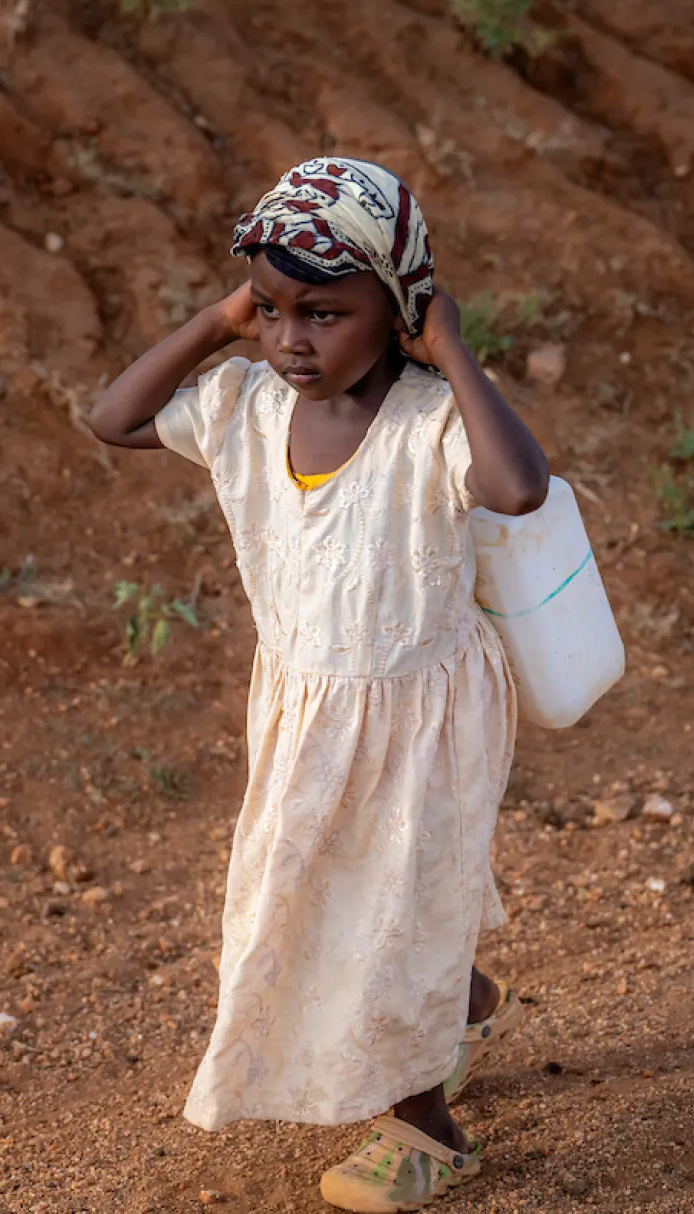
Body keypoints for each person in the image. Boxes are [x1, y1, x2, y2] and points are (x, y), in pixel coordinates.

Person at [87, 157, 548, 1212]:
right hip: (302, 710)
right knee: (334, 898)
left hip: (419, 717)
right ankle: (464, 1001)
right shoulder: (242, 407)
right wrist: (214, 324)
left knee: (382, 913)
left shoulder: (429, 423)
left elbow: (518, 489)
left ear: (398, 313)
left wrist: (452, 349)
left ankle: (424, 1130)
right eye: (275, 311)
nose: (293, 339)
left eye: (327, 314)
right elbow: (111, 420)